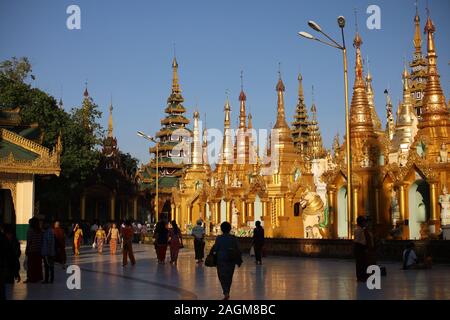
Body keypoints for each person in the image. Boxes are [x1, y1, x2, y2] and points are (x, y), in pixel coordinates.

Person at [211, 222, 242, 300]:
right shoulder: (233, 238)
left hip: (221, 258)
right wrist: (238, 258)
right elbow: (238, 248)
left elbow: (216, 248)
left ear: (221, 229)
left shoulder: (219, 238)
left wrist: (213, 255)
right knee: (229, 275)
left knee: (222, 275)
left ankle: (225, 291)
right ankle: (227, 290)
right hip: (230, 258)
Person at [25, 217, 43, 283]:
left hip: (31, 250)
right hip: (38, 250)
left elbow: (29, 241)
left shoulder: (30, 230)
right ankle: (37, 277)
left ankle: (31, 278)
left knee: (31, 265)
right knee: (37, 265)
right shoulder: (40, 231)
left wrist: (27, 249)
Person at [354, 216, 372, 282]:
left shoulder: (360, 229)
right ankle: (361, 277)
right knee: (360, 262)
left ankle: (362, 276)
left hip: (360, 247)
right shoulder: (359, 230)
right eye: (364, 222)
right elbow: (361, 240)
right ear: (361, 223)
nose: (365, 223)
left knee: (362, 262)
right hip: (359, 247)